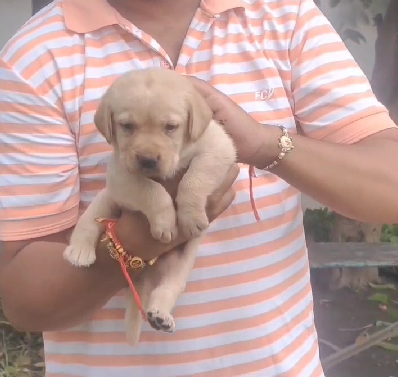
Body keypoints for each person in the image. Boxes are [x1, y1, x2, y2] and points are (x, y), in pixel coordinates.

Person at [1, 0, 398, 376]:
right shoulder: (38, 58)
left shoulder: (282, 14)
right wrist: (133, 243)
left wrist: (264, 145)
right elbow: (22, 300)